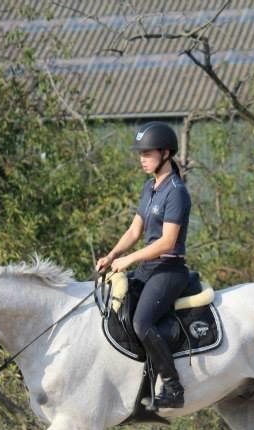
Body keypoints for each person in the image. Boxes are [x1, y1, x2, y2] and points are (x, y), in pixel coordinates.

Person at [96, 122, 191, 409]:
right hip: (149, 269)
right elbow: (135, 231)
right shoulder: (150, 187)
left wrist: (130, 259)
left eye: (147, 153)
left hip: (169, 270)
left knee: (141, 322)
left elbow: (167, 242)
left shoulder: (176, 191)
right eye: (140, 153)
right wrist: (112, 255)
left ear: (165, 153)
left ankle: (173, 387)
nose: (142, 158)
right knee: (114, 308)